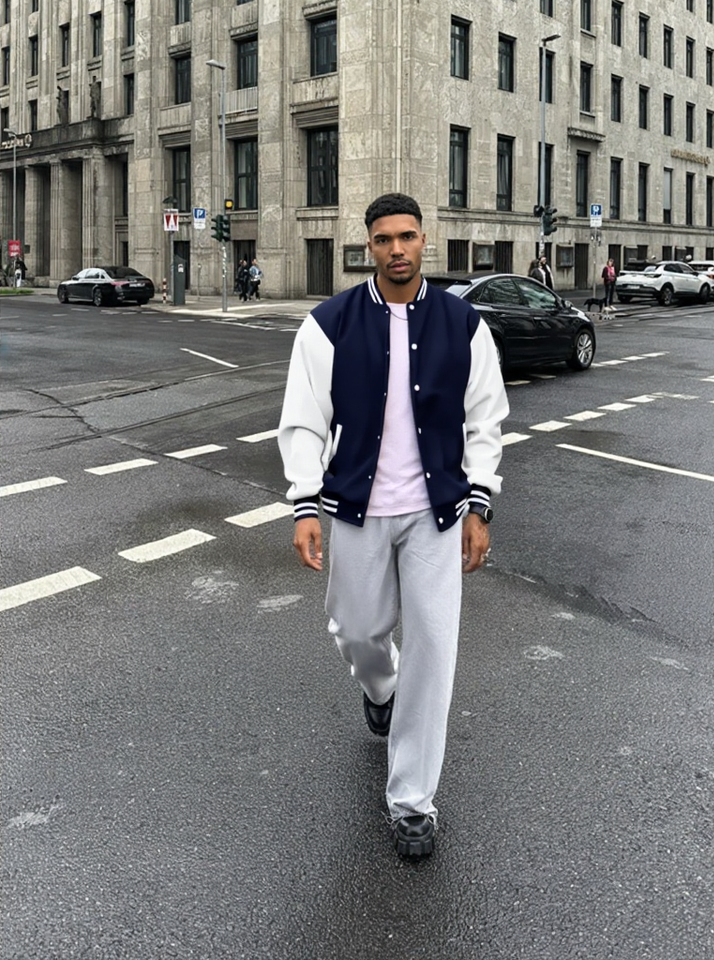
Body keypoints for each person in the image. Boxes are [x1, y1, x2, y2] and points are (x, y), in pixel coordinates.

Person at [278, 193, 508, 860]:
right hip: (355, 507)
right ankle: (380, 687)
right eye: (384, 240)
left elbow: (485, 422)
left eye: (407, 237)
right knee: (357, 630)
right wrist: (304, 504)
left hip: (437, 514)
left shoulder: (464, 325)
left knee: (434, 654)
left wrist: (480, 504)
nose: (397, 249)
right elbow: (302, 422)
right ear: (368, 246)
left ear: (423, 240)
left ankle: (412, 801)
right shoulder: (328, 326)